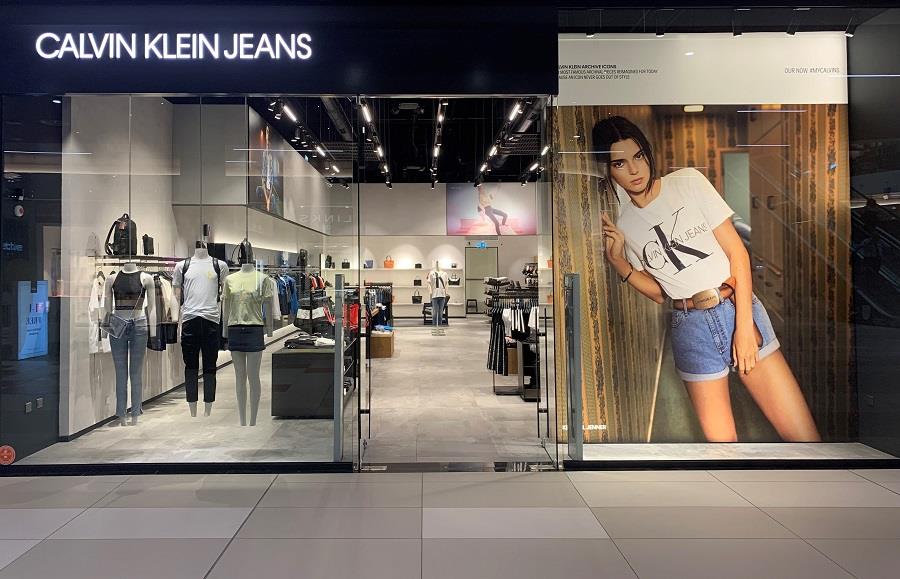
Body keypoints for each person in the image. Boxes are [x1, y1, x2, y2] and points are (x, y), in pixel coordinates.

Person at [593, 116, 820, 443]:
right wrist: (618, 262)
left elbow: (738, 254)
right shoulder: (626, 224)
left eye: (638, 156)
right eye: (620, 163)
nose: (634, 169)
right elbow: (659, 293)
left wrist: (744, 328)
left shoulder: (687, 182)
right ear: (608, 169)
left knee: (804, 438)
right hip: (690, 328)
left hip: (736, 308)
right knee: (723, 449)